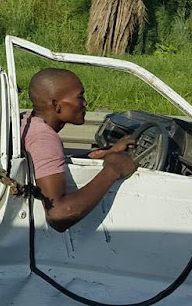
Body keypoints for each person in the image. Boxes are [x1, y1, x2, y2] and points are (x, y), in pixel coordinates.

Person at [22, 68, 137, 232]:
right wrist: (113, 170)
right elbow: (59, 214)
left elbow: (50, 162)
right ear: (56, 105)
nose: (85, 103)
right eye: (79, 97)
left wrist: (106, 153)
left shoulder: (28, 121)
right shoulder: (44, 139)